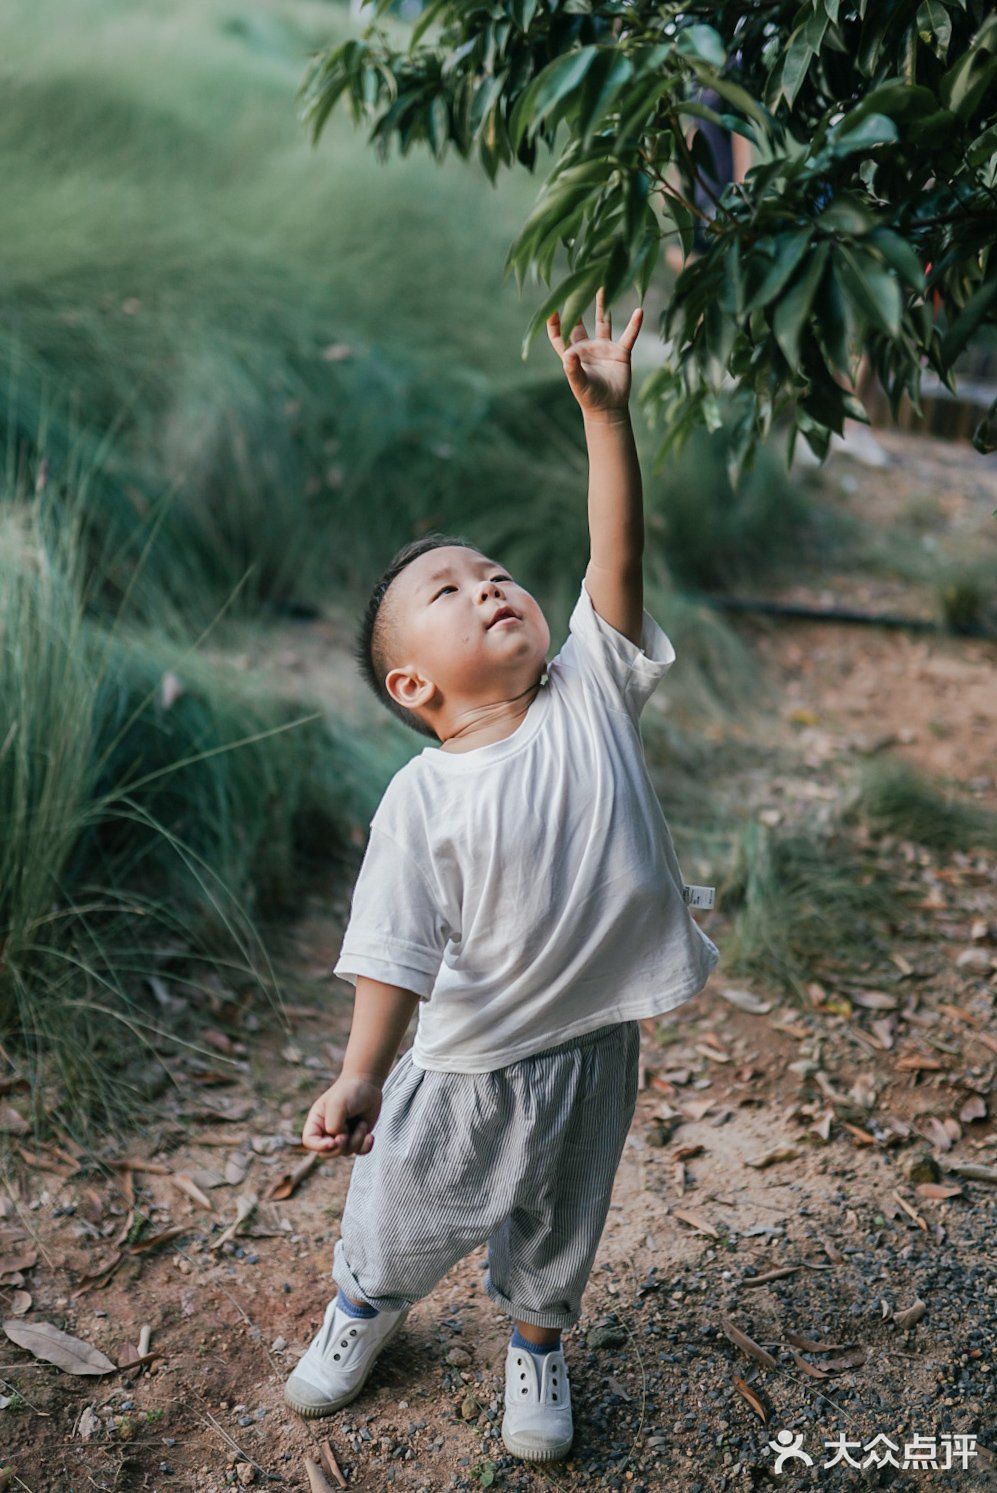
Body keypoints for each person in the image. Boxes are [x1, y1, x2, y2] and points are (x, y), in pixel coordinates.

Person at [283, 288, 721, 1463]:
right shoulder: (423, 795)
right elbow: (393, 951)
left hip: (593, 1041)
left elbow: (614, 550)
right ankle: (363, 1307)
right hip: (469, 1059)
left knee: (561, 1219)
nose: (488, 584)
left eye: (492, 571)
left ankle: (535, 1337)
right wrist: (362, 1076)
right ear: (413, 688)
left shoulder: (591, 685)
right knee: (406, 1209)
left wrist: (605, 422)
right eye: (450, 591)